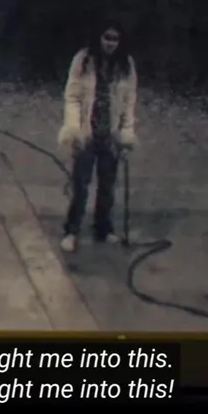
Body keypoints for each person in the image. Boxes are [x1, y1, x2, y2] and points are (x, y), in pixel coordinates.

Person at [57, 20, 139, 252]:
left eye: (115, 39)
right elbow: (72, 96)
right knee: (80, 184)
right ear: (98, 37)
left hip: (110, 133)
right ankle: (72, 230)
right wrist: (73, 128)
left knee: (107, 185)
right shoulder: (83, 59)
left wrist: (126, 132)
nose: (110, 43)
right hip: (86, 131)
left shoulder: (126, 64)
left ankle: (103, 229)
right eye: (107, 38)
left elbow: (129, 101)